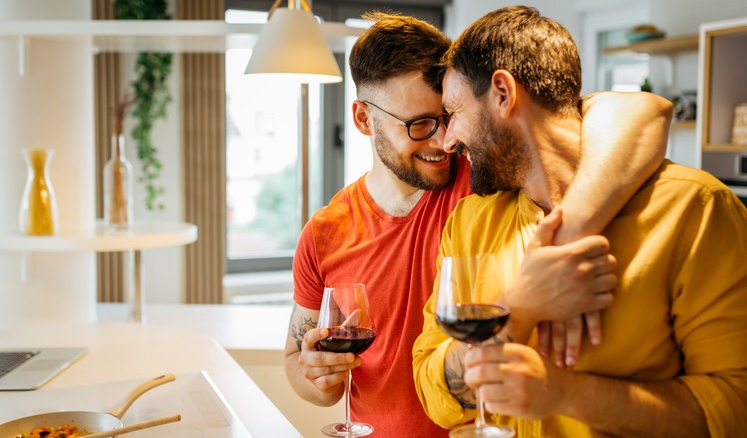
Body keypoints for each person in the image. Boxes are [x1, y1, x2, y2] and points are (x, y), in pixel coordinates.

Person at [287, 11, 673, 438]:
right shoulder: (324, 232)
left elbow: (643, 111)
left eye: (448, 116)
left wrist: (574, 228)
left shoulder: (487, 177)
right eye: (420, 125)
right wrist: (318, 379)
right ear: (363, 119)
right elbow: (296, 361)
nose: (444, 141)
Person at [412, 6, 747, 437]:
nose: (448, 139)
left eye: (453, 111)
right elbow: (430, 387)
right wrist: (517, 310)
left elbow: (735, 410)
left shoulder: (697, 210)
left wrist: (565, 394)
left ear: (502, 92)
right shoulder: (470, 221)